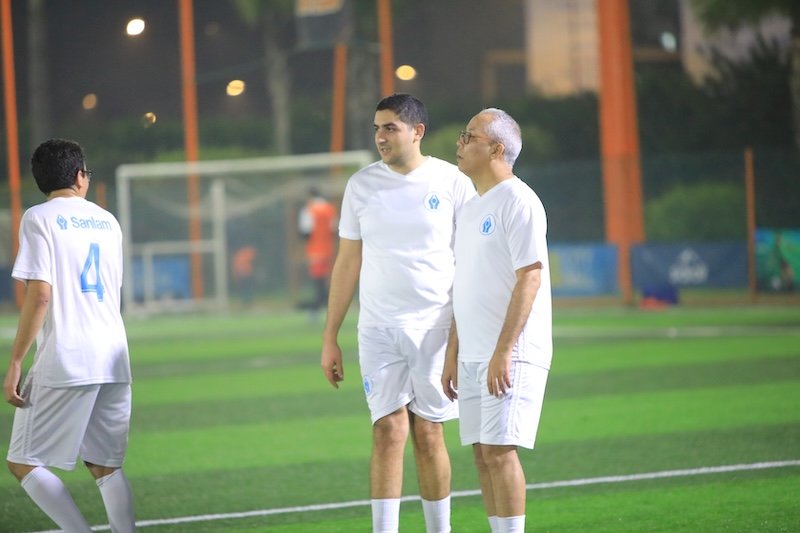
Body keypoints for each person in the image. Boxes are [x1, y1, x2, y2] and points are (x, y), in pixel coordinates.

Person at [320, 93, 475, 533]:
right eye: (377, 129)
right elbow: (347, 262)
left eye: (390, 127)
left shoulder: (452, 182)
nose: (380, 137)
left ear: (417, 131)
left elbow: (471, 262)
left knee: (429, 433)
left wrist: (460, 335)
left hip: (435, 328)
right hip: (378, 329)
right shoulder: (361, 185)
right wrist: (330, 336)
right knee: (387, 431)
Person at [3, 139, 135, 532]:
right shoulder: (108, 221)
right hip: (114, 355)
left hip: (69, 355)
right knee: (106, 466)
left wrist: (15, 361)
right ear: (79, 176)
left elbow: (40, 294)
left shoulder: (38, 217)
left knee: (22, 462)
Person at [441, 109, 552, 533]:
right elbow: (465, 286)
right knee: (482, 452)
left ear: (496, 149)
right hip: (473, 353)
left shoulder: (519, 201)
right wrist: (453, 352)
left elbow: (530, 277)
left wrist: (504, 351)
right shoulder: (471, 208)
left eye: (469, 136)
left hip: (510, 353)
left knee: (500, 451)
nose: (459, 143)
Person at [298, 187, 337, 319]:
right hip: (328, 249)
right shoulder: (329, 208)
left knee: (317, 279)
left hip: (315, 249)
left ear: (310, 195)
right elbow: (333, 229)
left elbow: (306, 232)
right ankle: (326, 304)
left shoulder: (309, 209)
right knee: (327, 278)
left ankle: (317, 307)